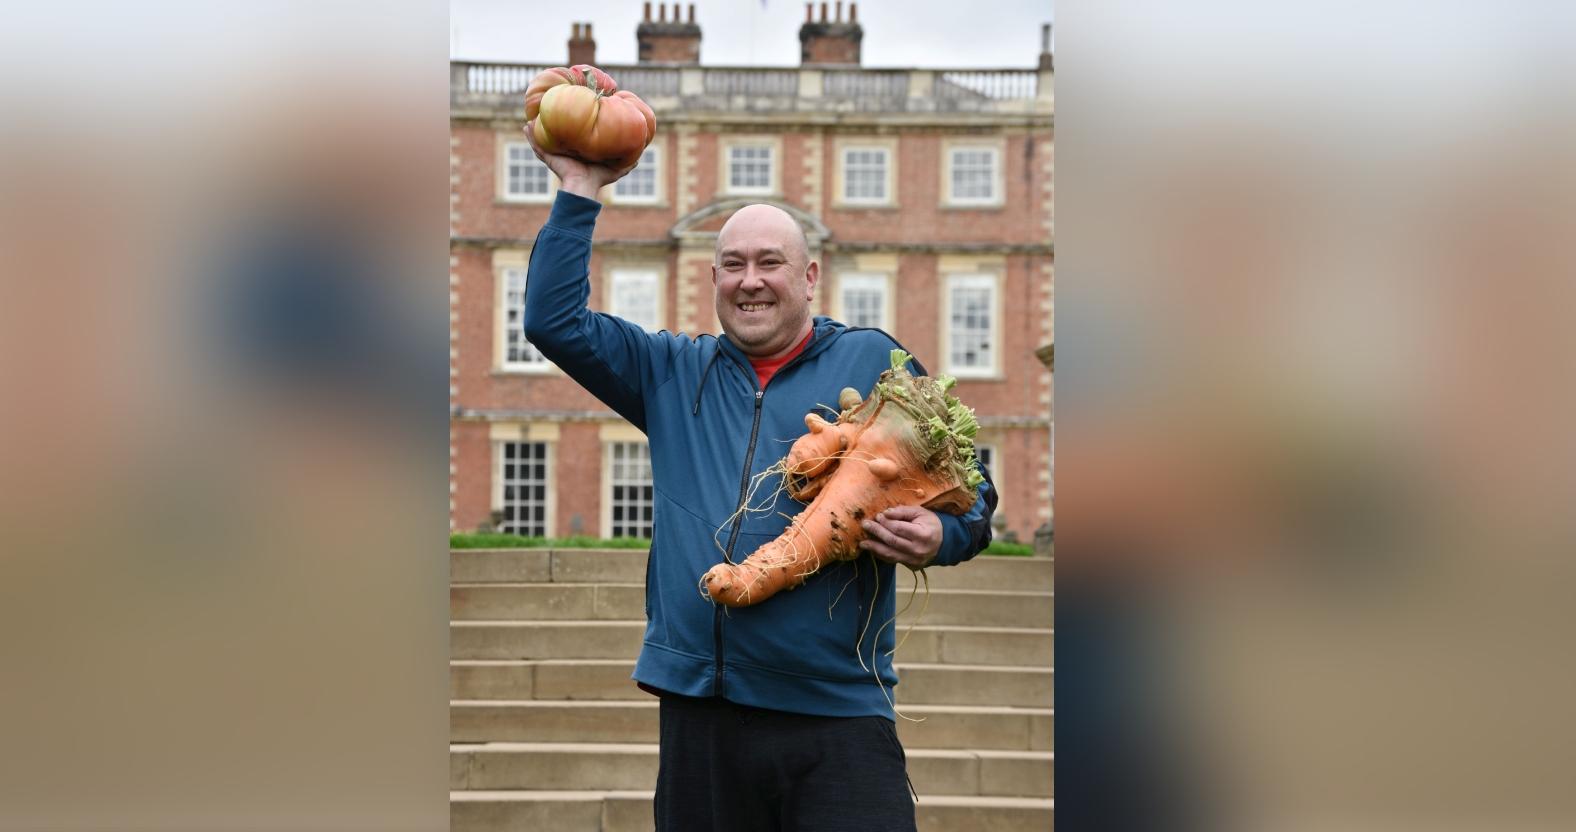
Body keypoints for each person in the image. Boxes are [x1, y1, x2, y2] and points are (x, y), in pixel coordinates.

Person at [521, 126, 998, 832]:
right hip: (703, 713)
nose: (751, 280)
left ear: (809, 277)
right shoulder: (667, 372)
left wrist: (942, 534)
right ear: (713, 280)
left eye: (771, 262)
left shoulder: (874, 362)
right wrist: (580, 187)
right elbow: (551, 321)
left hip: (837, 716)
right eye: (733, 264)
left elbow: (973, 490)